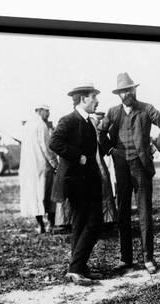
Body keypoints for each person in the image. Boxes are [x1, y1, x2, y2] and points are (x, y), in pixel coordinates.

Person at [98, 72, 160, 274]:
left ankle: (148, 258)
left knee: (144, 213)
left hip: (141, 167)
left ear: (135, 90)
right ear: (118, 94)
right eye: (123, 91)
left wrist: (155, 146)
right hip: (121, 167)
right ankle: (126, 259)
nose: (127, 94)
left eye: (130, 90)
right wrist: (109, 150)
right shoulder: (113, 112)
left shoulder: (147, 109)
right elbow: (100, 132)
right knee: (123, 212)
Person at [50, 83, 103, 285]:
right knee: (93, 223)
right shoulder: (69, 120)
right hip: (75, 181)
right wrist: (77, 156)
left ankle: (79, 267)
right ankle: (75, 267)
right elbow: (54, 142)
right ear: (83, 99)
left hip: (88, 180)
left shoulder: (89, 122)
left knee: (81, 225)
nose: (97, 101)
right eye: (93, 97)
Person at [19, 104, 58, 233]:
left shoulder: (27, 125)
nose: (49, 114)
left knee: (34, 195)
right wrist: (54, 163)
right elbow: (46, 147)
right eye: (47, 111)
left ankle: (40, 224)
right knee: (48, 195)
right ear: (40, 111)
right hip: (42, 165)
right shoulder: (41, 125)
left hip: (29, 167)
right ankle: (50, 224)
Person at [90, 111, 118, 226]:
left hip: (100, 160)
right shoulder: (97, 128)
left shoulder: (95, 127)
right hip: (100, 160)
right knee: (105, 188)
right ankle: (106, 218)